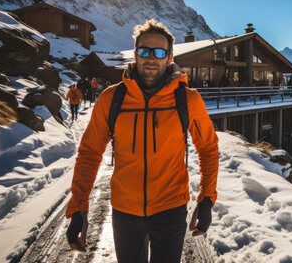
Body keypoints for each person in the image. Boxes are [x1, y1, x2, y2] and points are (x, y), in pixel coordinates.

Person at [65, 19, 219, 263]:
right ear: (135, 54)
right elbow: (90, 152)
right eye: (144, 51)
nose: (151, 57)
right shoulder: (111, 99)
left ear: (169, 58)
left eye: (159, 52)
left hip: (171, 208)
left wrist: (207, 198)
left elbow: (208, 148)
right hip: (125, 211)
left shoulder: (187, 100)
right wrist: (78, 206)